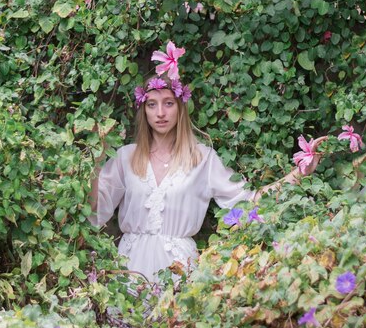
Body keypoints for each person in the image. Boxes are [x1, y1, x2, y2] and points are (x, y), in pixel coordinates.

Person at [89, 46, 324, 283]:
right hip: (130, 268)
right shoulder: (126, 157)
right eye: (152, 104)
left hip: (178, 269)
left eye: (168, 103)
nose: (160, 113)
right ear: (144, 110)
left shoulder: (202, 159)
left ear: (180, 108)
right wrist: (93, 161)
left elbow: (248, 203)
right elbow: (95, 211)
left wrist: (299, 173)